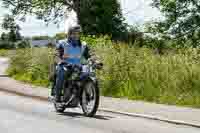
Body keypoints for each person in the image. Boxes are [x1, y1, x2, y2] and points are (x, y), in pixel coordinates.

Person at [53, 25, 91, 102]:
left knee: (87, 74)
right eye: (74, 33)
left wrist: (96, 61)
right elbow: (56, 55)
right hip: (65, 65)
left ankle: (82, 94)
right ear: (69, 34)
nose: (76, 35)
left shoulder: (83, 45)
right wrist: (60, 62)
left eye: (78, 33)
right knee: (62, 72)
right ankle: (57, 94)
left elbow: (89, 55)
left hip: (78, 66)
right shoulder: (62, 43)